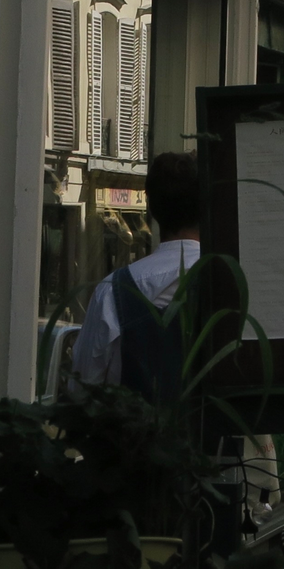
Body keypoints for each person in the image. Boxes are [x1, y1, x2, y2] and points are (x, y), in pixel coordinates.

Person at [72, 149, 204, 392]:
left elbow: (82, 394)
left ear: (151, 209)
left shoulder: (112, 293)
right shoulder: (230, 284)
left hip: (133, 430)